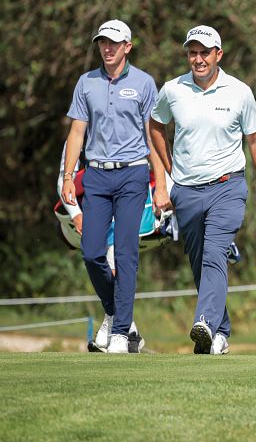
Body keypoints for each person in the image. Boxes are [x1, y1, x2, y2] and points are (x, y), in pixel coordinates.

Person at [149, 25, 256, 355]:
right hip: (186, 190)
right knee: (199, 261)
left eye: (205, 52)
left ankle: (204, 320)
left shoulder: (239, 91)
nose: (198, 58)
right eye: (193, 52)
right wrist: (166, 172)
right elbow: (155, 125)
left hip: (227, 185)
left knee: (215, 252)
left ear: (219, 54)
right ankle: (220, 331)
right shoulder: (173, 90)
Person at [61, 19, 161, 354]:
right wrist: (67, 177)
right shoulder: (86, 82)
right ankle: (118, 314)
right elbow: (76, 132)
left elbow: (153, 137)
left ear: (127, 47)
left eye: (114, 43)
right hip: (96, 176)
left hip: (133, 174)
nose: (107, 48)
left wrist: (161, 182)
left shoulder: (145, 83)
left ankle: (120, 332)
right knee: (91, 252)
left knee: (126, 253)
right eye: (103, 43)